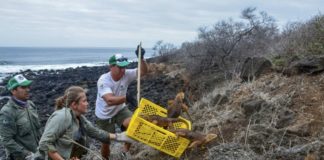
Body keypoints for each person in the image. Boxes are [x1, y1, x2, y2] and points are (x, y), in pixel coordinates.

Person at [35, 86, 134, 160]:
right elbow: (45, 143)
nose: (87, 103)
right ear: (74, 104)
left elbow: (95, 132)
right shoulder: (62, 117)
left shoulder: (80, 118)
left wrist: (120, 137)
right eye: (84, 101)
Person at [95, 46, 148, 159]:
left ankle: (124, 151)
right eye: (120, 67)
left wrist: (141, 58)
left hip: (120, 110)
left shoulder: (126, 74)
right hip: (104, 116)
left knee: (133, 126)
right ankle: (106, 158)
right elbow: (109, 100)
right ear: (111, 67)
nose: (123, 70)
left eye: (125, 67)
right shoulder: (104, 80)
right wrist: (127, 98)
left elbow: (143, 71)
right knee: (106, 143)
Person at [0, 74, 42, 160]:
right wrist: (26, 154)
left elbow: (38, 130)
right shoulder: (7, 112)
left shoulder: (31, 105)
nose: (28, 90)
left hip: (37, 154)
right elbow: (6, 140)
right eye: (23, 87)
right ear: (13, 91)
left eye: (28, 87)